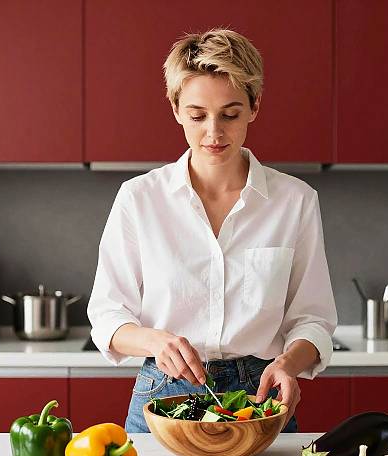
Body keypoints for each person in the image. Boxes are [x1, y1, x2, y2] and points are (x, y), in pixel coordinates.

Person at [87, 28, 337, 433]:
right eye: (197, 115)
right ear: (175, 108)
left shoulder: (295, 201)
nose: (214, 133)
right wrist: (155, 342)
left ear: (254, 106)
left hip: (260, 398)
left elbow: (313, 318)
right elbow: (106, 316)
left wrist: (288, 364)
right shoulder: (139, 198)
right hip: (163, 393)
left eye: (231, 113)